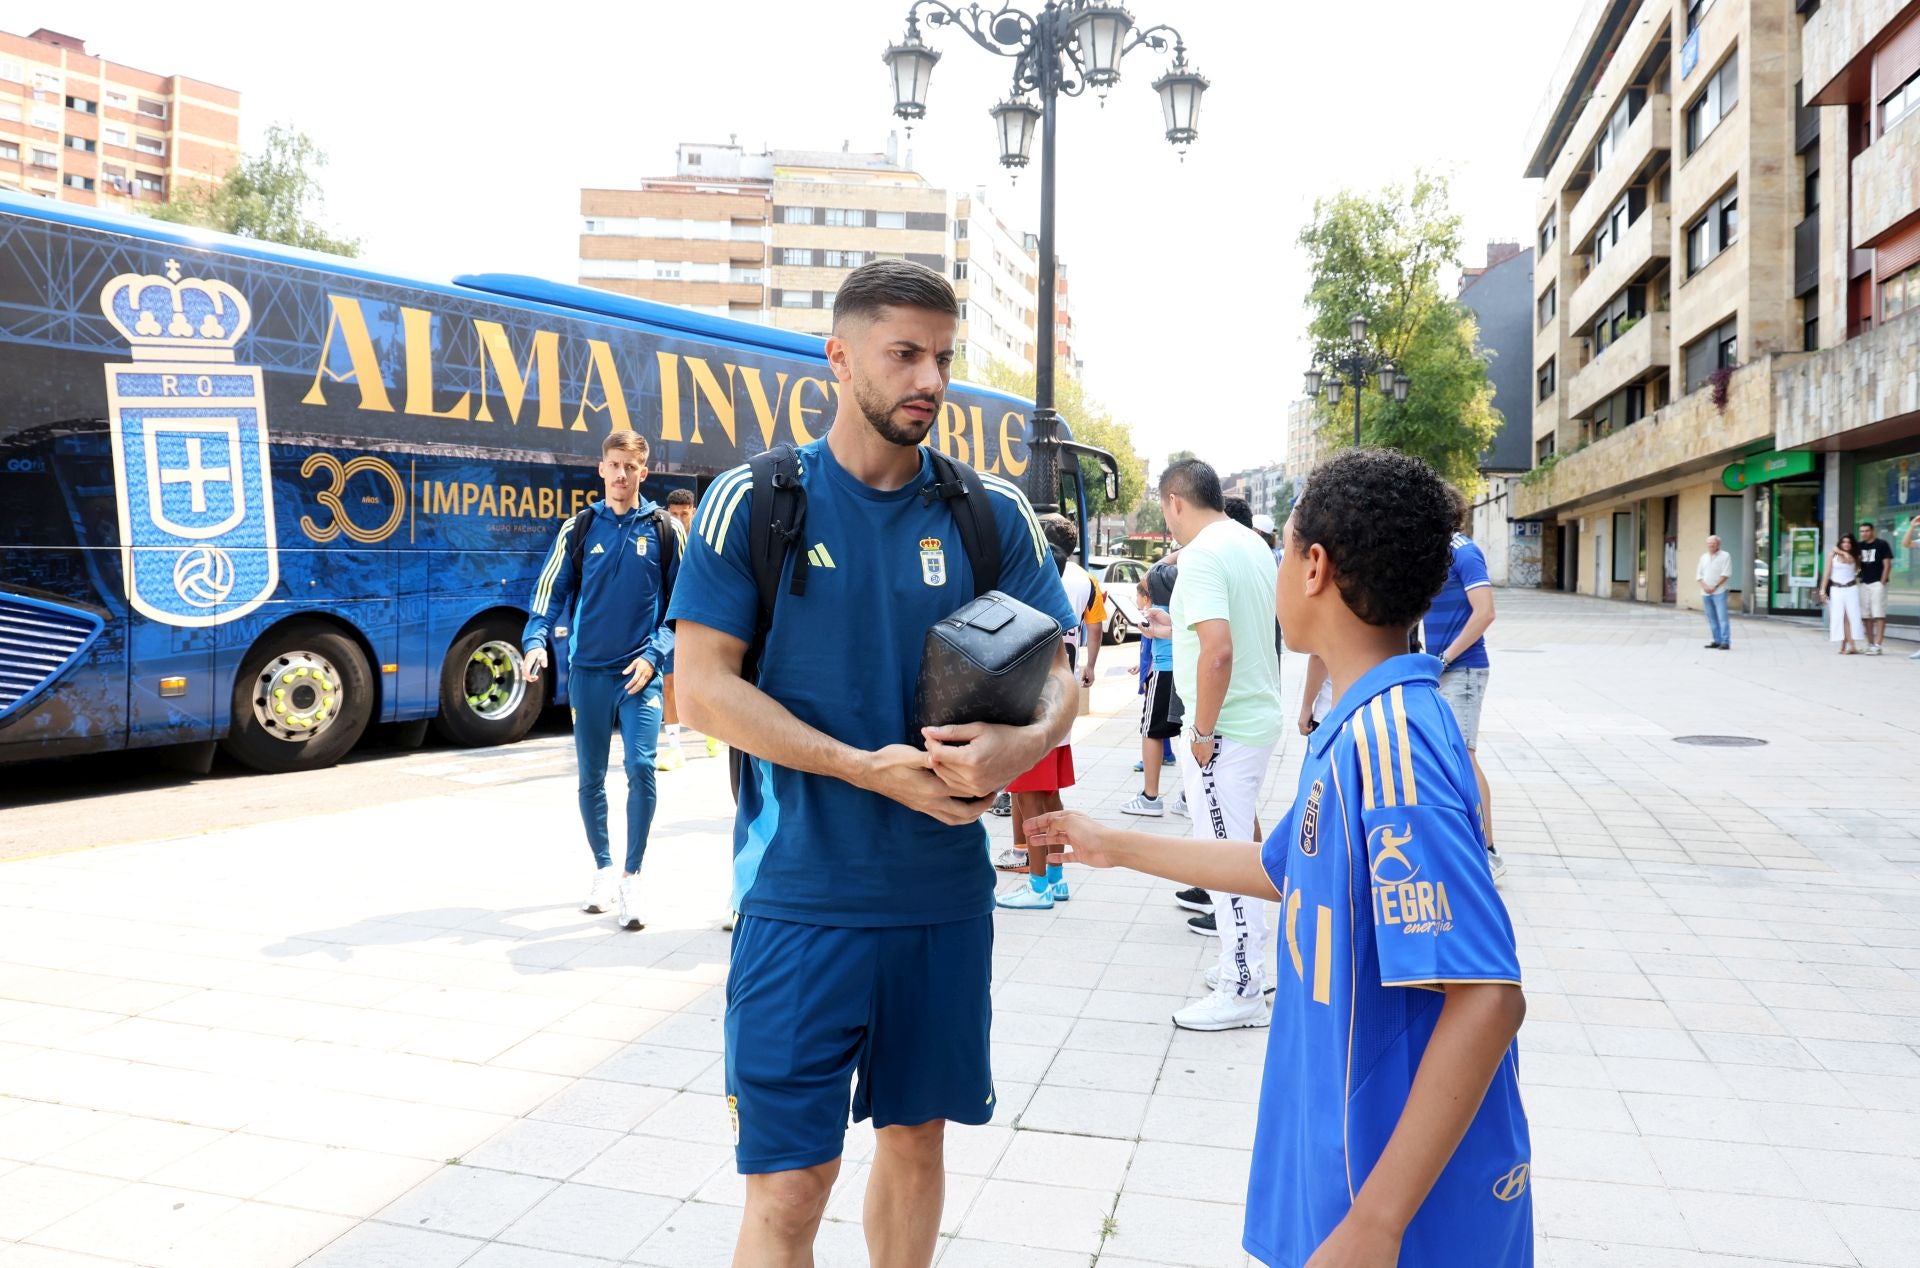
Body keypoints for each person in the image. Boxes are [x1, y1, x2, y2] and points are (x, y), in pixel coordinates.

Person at [1025, 447, 1531, 1268]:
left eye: (1283, 547)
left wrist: (1377, 1223)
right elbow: (1278, 867)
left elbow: (1488, 999)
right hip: (1343, 1160)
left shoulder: (1395, 744)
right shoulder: (1358, 727)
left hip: (1401, 1202)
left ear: (1315, 568)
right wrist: (1114, 846)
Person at [667, 259, 1077, 1268]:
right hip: (799, 899)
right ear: (840, 356)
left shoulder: (990, 514)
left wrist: (1022, 744)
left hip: (941, 899)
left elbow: (1065, 669)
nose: (928, 379)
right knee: (789, 1185)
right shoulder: (755, 501)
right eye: (903, 353)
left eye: (941, 356)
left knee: (916, 1138)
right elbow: (702, 688)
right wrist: (860, 765)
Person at [523, 430, 681, 932]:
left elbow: (686, 607)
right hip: (588, 674)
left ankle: (633, 878)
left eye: (629, 467)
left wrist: (656, 656)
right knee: (590, 777)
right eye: (613, 465)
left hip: (639, 674)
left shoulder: (663, 529)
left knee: (641, 767)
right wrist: (534, 641)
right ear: (601, 468)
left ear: (643, 472)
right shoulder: (580, 527)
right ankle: (604, 869)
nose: (620, 475)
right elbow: (549, 591)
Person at [1156, 458, 1285, 1031]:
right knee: (1239, 849)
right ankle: (1251, 964)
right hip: (1253, 718)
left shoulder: (1203, 554)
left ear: (1175, 501)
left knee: (1222, 861)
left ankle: (1241, 987)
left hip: (1224, 729)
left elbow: (1219, 650)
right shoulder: (1249, 542)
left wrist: (1202, 732)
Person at [995, 513, 1103, 907]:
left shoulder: (1031, 597)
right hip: (1061, 705)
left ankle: (1039, 883)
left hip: (1034, 710)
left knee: (1033, 801)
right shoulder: (1081, 581)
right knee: (1048, 797)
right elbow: (1093, 627)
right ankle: (1055, 876)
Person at [1422, 487, 1504, 882]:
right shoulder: (1437, 554)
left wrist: (1445, 658)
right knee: (1452, 756)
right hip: (1443, 670)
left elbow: (1485, 612)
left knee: (1465, 757)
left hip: (1463, 670)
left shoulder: (1465, 552)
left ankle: (1487, 850)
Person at [1122, 563, 1183, 818]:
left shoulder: (1156, 610)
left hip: (1165, 671)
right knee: (1188, 732)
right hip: (1187, 670)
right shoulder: (1185, 604)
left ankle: (1150, 796)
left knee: (1151, 731)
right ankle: (1191, 797)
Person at [657, 487, 701, 769]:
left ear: (692, 512)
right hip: (672, 622)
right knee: (669, 682)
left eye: (684, 514)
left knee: (701, 682)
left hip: (699, 622)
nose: (679, 519)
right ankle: (674, 748)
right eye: (673, 514)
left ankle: (711, 733)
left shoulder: (703, 537)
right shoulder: (664, 538)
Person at [1821, 533, 1865, 654]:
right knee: (1839, 617)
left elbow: (1849, 560)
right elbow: (1827, 573)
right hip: (1836, 589)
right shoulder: (1832, 555)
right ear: (1840, 543)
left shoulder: (1855, 556)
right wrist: (1822, 590)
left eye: (1849, 542)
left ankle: (1850, 645)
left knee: (1851, 617)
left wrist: (1840, 551)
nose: (1846, 544)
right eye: (1844, 542)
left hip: (1851, 589)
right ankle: (1846, 645)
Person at [1857, 521, 1894, 655]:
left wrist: (1882, 582)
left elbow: (1887, 564)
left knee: (1878, 614)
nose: (1864, 533)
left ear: (1872, 531)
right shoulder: (1859, 546)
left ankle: (1878, 645)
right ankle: (1870, 644)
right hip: (1864, 583)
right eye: (1861, 531)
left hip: (1878, 583)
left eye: (1866, 531)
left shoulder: (1882, 544)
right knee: (1866, 615)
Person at [1696, 534, 1733, 650]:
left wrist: (1714, 586)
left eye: (1713, 544)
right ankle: (1717, 640)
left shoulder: (1725, 556)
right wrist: (1705, 586)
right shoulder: (1703, 557)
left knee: (1722, 617)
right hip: (1705, 592)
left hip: (1720, 592)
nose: (1711, 546)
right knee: (1711, 618)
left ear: (1718, 545)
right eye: (1709, 544)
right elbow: (1699, 575)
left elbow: (1726, 574)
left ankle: (1725, 642)